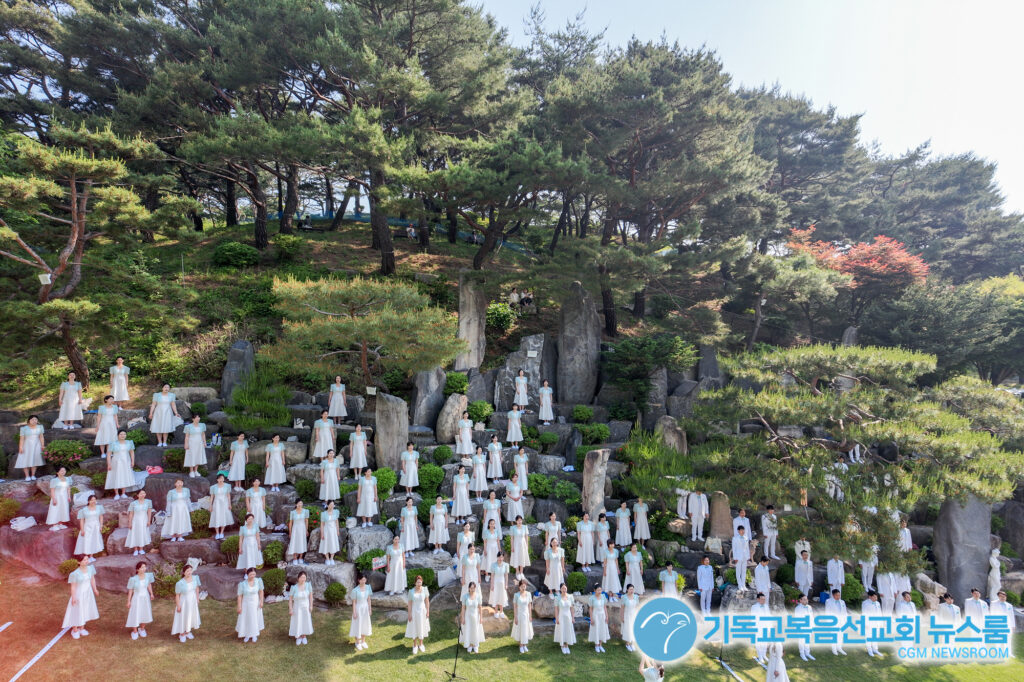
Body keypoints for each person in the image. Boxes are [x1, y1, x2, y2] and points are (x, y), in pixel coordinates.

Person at [63, 555, 99, 639]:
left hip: (88, 593)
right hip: (79, 594)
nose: (87, 561)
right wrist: (73, 597)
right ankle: (75, 630)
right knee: (76, 611)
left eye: (87, 559)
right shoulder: (74, 574)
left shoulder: (91, 568)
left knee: (85, 609)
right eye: (84, 560)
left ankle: (82, 628)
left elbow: (92, 579)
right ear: (79, 562)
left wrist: (95, 589)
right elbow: (73, 587)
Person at [172, 564, 202, 643]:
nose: (189, 572)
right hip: (184, 602)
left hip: (192, 601)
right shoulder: (180, 583)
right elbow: (177, 595)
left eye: (190, 570)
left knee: (191, 616)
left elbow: (197, 588)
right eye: (187, 571)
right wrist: (178, 606)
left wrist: (197, 598)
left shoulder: (195, 578)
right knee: (183, 616)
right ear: (184, 572)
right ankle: (181, 634)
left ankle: (188, 631)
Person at [125, 560, 154, 639]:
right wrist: (128, 601)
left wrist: (151, 593)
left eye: (145, 567)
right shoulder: (133, 579)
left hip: (145, 598)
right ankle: (134, 631)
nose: (144, 569)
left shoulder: (148, 576)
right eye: (142, 567)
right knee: (135, 613)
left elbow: (149, 584)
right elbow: (130, 590)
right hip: (136, 599)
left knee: (145, 612)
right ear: (137, 569)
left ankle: (142, 629)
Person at [235, 568, 265, 643]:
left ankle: (254, 634)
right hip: (246, 603)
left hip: (255, 602)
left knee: (254, 617)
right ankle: (247, 634)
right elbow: (240, 596)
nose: (253, 576)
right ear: (247, 574)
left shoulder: (259, 581)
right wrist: (239, 606)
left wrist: (261, 601)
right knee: (247, 617)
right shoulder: (242, 584)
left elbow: (261, 592)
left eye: (254, 574)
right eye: (251, 574)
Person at [105, 431, 136, 500]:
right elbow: (109, 454)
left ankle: (123, 493)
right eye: (121, 434)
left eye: (124, 434)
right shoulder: (113, 443)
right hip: (116, 462)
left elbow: (132, 452)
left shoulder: (129, 442)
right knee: (116, 476)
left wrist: (132, 461)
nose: (123, 435)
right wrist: (109, 464)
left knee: (124, 476)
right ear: (118, 435)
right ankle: (116, 494)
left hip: (126, 462)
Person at [406, 573, 431, 654]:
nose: (419, 584)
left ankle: (421, 644)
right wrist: (409, 614)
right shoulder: (411, 591)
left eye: (420, 582)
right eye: (417, 582)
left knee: (422, 627)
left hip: (422, 611)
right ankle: (415, 645)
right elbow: (409, 604)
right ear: (415, 583)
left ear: (422, 582)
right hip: (414, 611)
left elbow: (427, 601)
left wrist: (428, 611)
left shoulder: (425, 589)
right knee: (414, 627)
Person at [16, 415, 45, 480]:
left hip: (37, 445)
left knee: (35, 460)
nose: (34, 421)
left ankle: (33, 475)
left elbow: (41, 437)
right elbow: (22, 439)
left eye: (36, 419)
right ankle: (27, 476)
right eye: (32, 419)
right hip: (27, 445)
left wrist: (42, 445)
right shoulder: (24, 428)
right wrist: (20, 447)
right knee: (25, 460)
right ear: (29, 420)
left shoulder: (40, 427)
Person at [289, 571, 314, 646]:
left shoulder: (308, 585)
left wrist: (311, 606)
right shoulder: (294, 588)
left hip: (306, 607)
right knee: (298, 620)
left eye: (304, 577)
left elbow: (310, 596)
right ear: (298, 578)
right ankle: (298, 636)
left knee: (305, 620)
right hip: (297, 607)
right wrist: (290, 609)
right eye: (301, 577)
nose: (303, 579)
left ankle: (304, 635)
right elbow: (290, 599)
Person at [460, 582, 485, 654]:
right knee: (468, 630)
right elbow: (463, 608)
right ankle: (470, 644)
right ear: (468, 588)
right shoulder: (465, 596)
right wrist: (462, 618)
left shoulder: (478, 596)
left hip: (475, 616)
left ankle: (475, 645)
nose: (473, 589)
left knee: (475, 630)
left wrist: (481, 618)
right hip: (468, 616)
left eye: (474, 588)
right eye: (471, 588)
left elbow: (480, 607)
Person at [349, 574, 372, 650]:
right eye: (362, 580)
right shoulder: (355, 590)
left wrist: (370, 609)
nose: (364, 581)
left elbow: (369, 599)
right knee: (358, 625)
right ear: (359, 580)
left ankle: (363, 641)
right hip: (358, 609)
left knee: (364, 624)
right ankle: (357, 642)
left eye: (365, 580)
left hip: (365, 608)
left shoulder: (368, 587)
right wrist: (354, 612)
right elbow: (354, 602)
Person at [512, 579, 534, 653]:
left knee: (526, 629)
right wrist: (515, 617)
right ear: (519, 587)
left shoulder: (528, 594)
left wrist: (530, 616)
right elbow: (515, 607)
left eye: (524, 586)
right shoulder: (516, 595)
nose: (523, 588)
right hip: (520, 614)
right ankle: (521, 645)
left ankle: (525, 644)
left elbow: (529, 606)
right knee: (521, 629)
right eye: (522, 586)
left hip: (526, 614)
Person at [209, 474, 233, 539]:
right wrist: (210, 505)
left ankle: (222, 532)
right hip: (216, 503)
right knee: (216, 517)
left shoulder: (227, 486)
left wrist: (229, 504)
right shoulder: (213, 487)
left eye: (222, 478)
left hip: (224, 503)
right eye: (219, 478)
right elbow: (212, 497)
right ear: (217, 479)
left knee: (224, 517)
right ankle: (217, 533)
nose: (221, 480)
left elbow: (228, 496)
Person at [554, 583, 576, 654]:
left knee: (568, 629)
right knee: (562, 629)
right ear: (560, 589)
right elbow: (556, 609)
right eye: (563, 588)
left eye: (565, 588)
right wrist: (557, 618)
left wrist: (573, 617)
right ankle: (562, 645)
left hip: (568, 616)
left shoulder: (570, 597)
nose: (564, 590)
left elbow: (572, 608)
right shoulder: (557, 598)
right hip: (561, 616)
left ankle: (567, 645)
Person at [825, 589, 848, 655]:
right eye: (837, 595)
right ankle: (834, 649)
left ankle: (839, 648)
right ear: (833, 595)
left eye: (839, 595)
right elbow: (827, 612)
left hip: (842, 621)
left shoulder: (842, 602)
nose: (838, 596)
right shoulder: (828, 601)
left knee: (840, 635)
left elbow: (845, 612)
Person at [588, 584, 610, 653]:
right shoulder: (592, 598)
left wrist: (607, 616)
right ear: (595, 590)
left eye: (600, 590)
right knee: (596, 629)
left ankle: (600, 644)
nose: (599, 591)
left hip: (602, 615)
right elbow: (590, 609)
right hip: (595, 615)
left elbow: (605, 607)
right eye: (598, 590)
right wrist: (591, 618)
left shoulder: (603, 597)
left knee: (602, 629)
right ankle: (596, 645)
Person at [751, 592, 771, 663]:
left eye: (764, 599)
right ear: (758, 599)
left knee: (765, 642)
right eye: (762, 599)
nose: (763, 601)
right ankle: (760, 656)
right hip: (758, 627)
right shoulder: (754, 607)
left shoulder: (766, 606)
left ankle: (764, 655)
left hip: (766, 627)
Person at [794, 594, 815, 660]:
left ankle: (807, 653)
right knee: (801, 641)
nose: (806, 601)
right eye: (804, 599)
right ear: (800, 600)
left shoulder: (809, 607)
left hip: (809, 626)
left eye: (807, 599)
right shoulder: (797, 609)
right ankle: (802, 654)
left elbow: (812, 617)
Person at [287, 501, 310, 565]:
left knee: (302, 542)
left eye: (301, 503)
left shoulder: (305, 511)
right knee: (295, 542)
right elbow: (290, 522)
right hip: (295, 529)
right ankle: (295, 558)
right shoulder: (293, 512)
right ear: (296, 504)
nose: (300, 505)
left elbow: (306, 521)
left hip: (302, 529)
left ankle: (300, 557)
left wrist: (306, 530)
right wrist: (290, 532)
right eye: (299, 503)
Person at [489, 551, 510, 616]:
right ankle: (496, 611)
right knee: (496, 596)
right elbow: (492, 575)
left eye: (502, 557)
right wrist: (492, 585)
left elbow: (506, 575)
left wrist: (506, 584)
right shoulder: (493, 565)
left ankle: (501, 611)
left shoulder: (506, 565)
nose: (500, 558)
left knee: (502, 596)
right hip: (495, 582)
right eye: (499, 557)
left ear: (503, 557)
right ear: (497, 557)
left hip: (502, 583)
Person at [621, 583, 641, 651]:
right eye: (630, 589)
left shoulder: (636, 597)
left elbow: (637, 606)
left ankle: (632, 643)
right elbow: (622, 608)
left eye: (633, 589)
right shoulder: (624, 597)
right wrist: (622, 617)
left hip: (634, 615)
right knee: (628, 629)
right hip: (627, 615)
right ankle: (628, 643)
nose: (632, 590)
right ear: (627, 590)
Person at [862, 590, 882, 656]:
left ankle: (875, 649)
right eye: (874, 597)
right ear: (870, 597)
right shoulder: (865, 603)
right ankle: (869, 650)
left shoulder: (877, 603)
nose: (876, 598)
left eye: (876, 597)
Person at [321, 500, 341, 565]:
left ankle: (332, 558)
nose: (332, 506)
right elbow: (322, 524)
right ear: (328, 505)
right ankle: (327, 559)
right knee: (326, 544)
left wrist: (338, 530)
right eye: (331, 504)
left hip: (333, 530)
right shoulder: (323, 514)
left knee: (333, 543)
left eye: (333, 504)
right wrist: (322, 533)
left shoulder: (336, 512)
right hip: (326, 530)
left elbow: (337, 522)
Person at [510, 516, 530, 581]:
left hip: (523, 544)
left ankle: (521, 572)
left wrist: (527, 546)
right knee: (516, 557)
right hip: (516, 544)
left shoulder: (525, 527)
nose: (520, 521)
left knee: (522, 557)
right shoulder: (512, 528)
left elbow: (526, 537)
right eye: (518, 520)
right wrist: (512, 546)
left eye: (521, 520)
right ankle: (517, 572)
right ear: (516, 521)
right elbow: (512, 538)